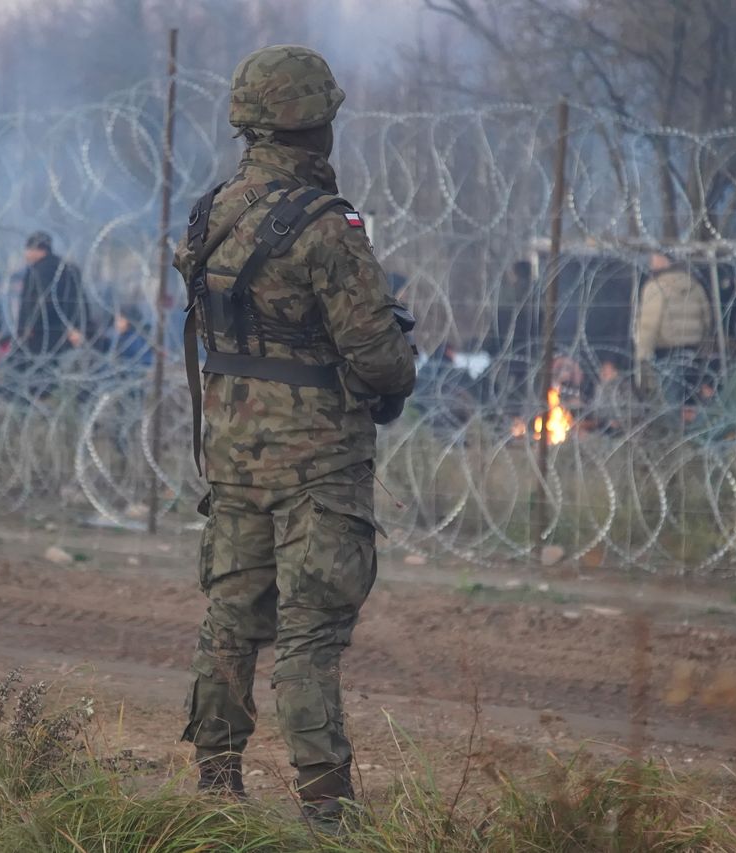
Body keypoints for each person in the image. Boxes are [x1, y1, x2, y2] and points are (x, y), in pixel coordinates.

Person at [173, 45, 417, 829]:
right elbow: (379, 357)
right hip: (319, 460)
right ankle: (327, 808)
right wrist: (392, 377)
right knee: (310, 634)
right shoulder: (326, 226)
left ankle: (215, 785)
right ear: (314, 124)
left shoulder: (212, 212)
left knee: (230, 618)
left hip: (235, 452)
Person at [634, 253, 712, 408]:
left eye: (654, 259)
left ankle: (676, 431)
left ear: (664, 260)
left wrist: (642, 355)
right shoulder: (694, 285)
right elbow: (707, 319)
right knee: (692, 401)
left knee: (670, 404)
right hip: (693, 352)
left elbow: (649, 324)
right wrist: (703, 345)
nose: (651, 263)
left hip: (666, 353)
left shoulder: (655, 287)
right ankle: (698, 430)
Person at [15, 231, 86, 390]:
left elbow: (39, 301)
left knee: (36, 376)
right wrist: (76, 327)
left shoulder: (37, 271)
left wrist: (28, 326)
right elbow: (79, 299)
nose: (26, 254)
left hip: (39, 334)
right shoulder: (67, 268)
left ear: (38, 250)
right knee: (55, 373)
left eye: (28, 249)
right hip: (63, 331)